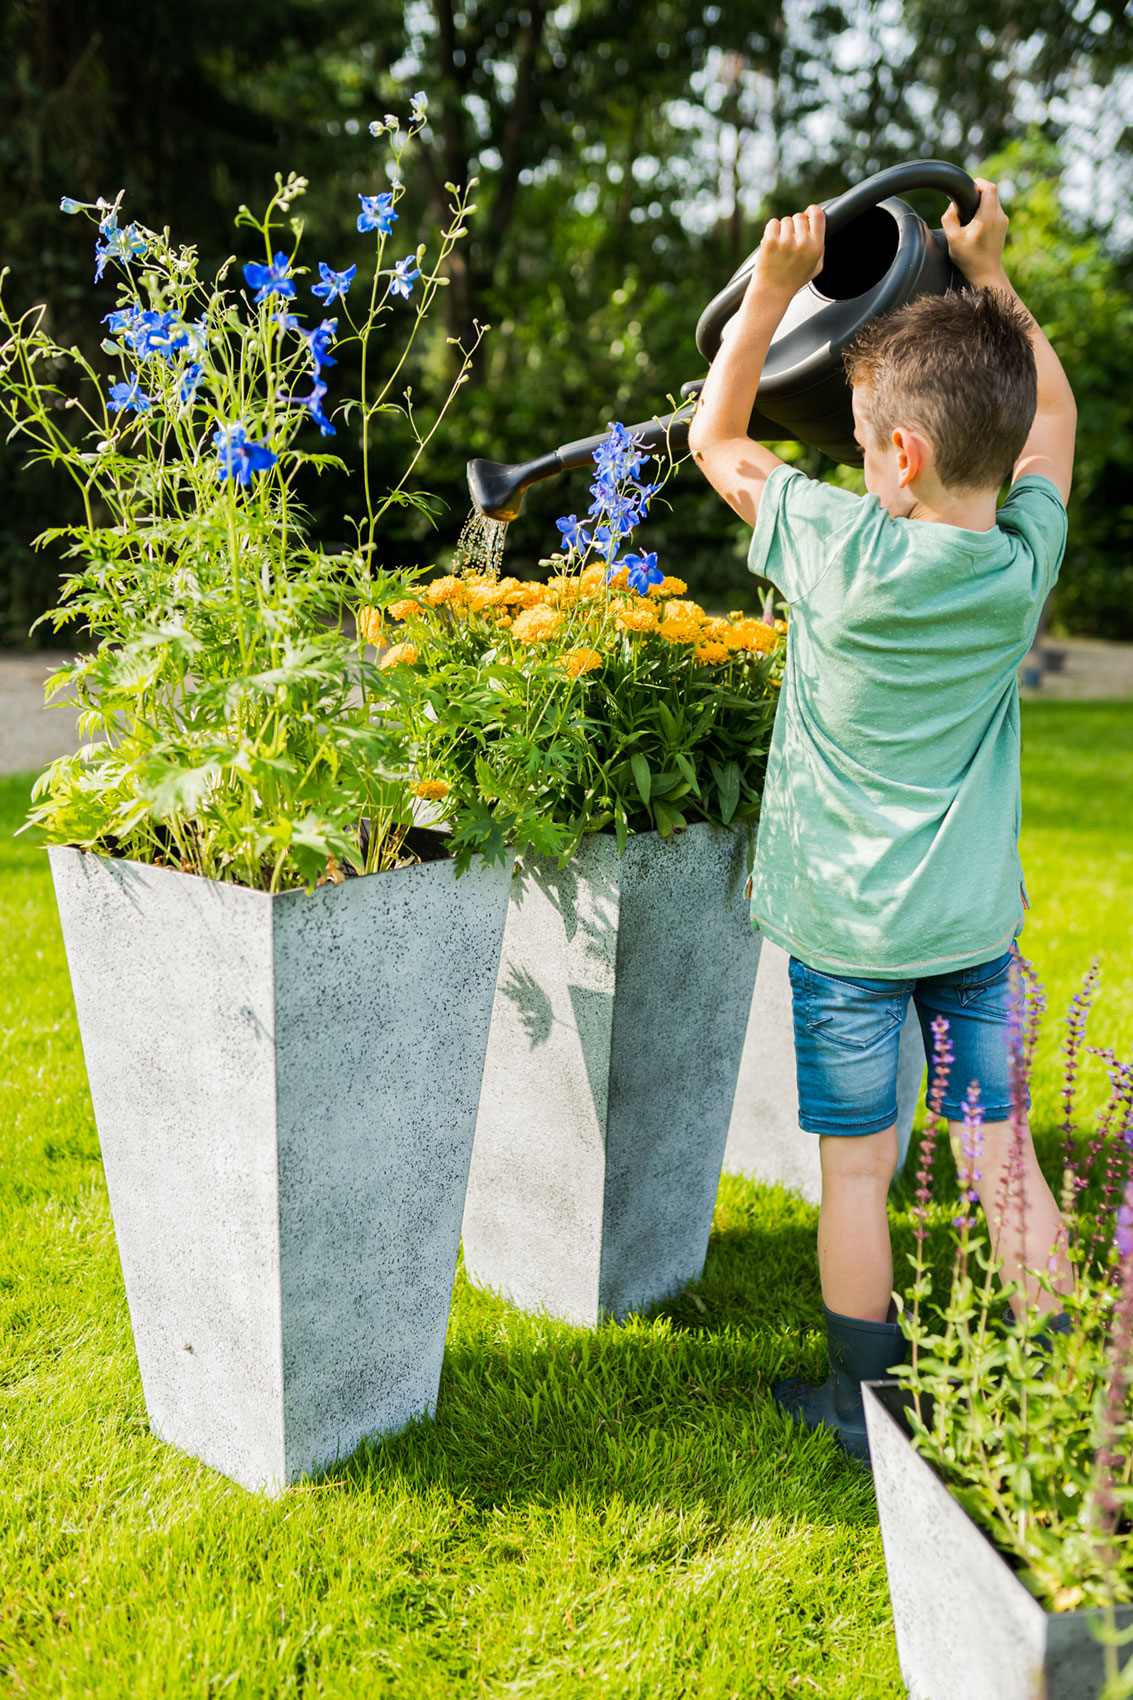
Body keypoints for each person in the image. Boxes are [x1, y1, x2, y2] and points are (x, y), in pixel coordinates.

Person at [687, 180, 1077, 1465]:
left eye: (859, 441)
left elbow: (715, 435)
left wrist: (768, 293)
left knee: (857, 1169)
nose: (851, 460)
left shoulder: (832, 544)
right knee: (998, 1154)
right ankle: (1055, 1384)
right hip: (968, 930)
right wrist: (987, 275)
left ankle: (866, 1404)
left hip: (845, 936)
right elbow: (1051, 414)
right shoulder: (1017, 564)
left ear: (898, 457)